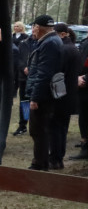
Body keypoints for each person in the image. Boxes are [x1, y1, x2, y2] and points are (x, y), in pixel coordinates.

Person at [26, 15, 62, 171]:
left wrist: (35, 97)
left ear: (38, 27)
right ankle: (40, 161)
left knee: (38, 129)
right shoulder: (50, 41)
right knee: (38, 129)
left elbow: (44, 73)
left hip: (44, 95)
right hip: (44, 92)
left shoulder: (49, 43)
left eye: (33, 27)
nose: (32, 30)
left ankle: (40, 163)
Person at [50, 23, 81, 169]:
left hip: (61, 95)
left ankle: (55, 158)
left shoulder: (64, 49)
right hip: (69, 95)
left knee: (56, 128)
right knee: (61, 127)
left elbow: (57, 73)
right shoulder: (72, 48)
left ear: (63, 34)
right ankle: (58, 157)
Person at [12, 22, 31, 135]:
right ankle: (22, 125)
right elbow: (19, 58)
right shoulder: (22, 42)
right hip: (21, 76)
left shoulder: (28, 40)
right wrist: (23, 67)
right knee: (23, 101)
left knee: (30, 102)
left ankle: (30, 124)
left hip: (32, 78)